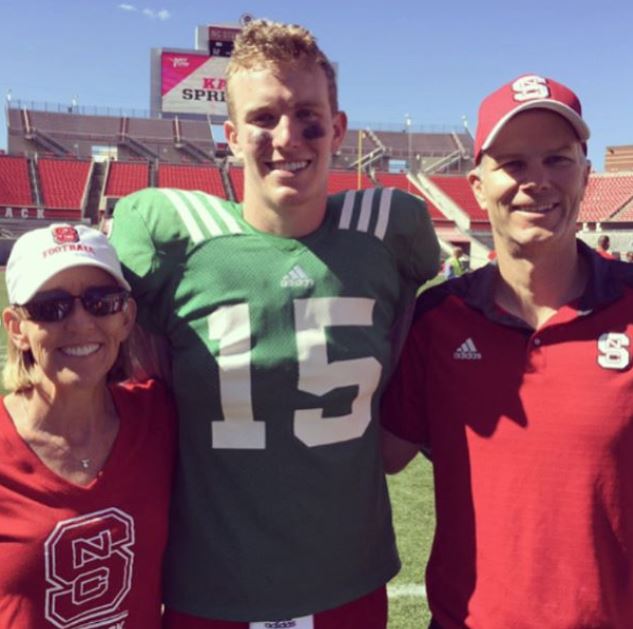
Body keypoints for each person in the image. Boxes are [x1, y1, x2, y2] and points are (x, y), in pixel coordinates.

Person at [109, 18, 439, 629]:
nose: (288, 136)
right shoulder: (173, 237)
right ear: (231, 135)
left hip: (350, 580)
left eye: (307, 114)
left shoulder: (388, 233)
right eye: (263, 118)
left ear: (337, 129)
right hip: (209, 590)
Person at [381, 74, 633, 628]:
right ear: (476, 184)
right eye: (513, 164)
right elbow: (379, 456)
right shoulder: (437, 320)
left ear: (587, 175)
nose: (536, 181)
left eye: (557, 160)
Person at [0, 224, 176, 627]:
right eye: (51, 306)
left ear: (126, 317)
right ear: (17, 328)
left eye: (102, 301)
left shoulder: (159, 417)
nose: (80, 323)